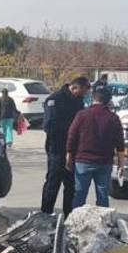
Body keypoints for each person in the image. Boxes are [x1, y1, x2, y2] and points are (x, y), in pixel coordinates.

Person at [65, 81, 126, 209]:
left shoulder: (82, 115)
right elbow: (120, 142)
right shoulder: (113, 118)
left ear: (93, 99)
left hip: (83, 161)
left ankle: (75, 223)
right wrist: (121, 163)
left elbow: (72, 136)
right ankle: (103, 223)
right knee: (103, 195)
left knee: (79, 194)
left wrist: (69, 155)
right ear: (109, 101)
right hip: (104, 162)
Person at [41, 76, 89, 215]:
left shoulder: (78, 101)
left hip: (73, 150)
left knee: (71, 185)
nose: (84, 96)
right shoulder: (55, 99)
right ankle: (46, 214)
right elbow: (49, 126)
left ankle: (69, 215)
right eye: (82, 92)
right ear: (75, 87)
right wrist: (72, 129)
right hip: (57, 148)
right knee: (53, 182)